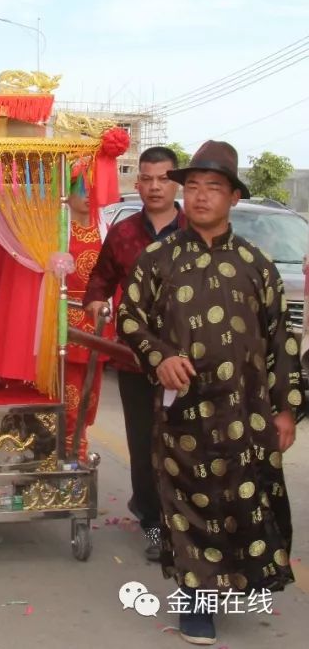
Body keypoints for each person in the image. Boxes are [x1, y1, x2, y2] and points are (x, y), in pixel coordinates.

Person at [118, 140, 304, 646]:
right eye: (193, 187)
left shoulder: (258, 265)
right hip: (185, 412)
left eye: (213, 188)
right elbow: (129, 317)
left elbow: (281, 341)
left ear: (233, 198)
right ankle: (197, 603)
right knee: (189, 504)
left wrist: (286, 409)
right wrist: (160, 357)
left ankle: (236, 587)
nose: (200, 197)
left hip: (248, 413)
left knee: (244, 502)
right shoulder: (159, 258)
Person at [83, 146, 184, 561]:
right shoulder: (123, 233)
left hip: (186, 361)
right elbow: (100, 278)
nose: (155, 186)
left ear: (177, 181)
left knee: (183, 445)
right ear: (137, 182)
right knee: (143, 445)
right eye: (147, 178)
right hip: (135, 358)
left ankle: (184, 523)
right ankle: (153, 521)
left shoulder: (195, 230)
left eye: (163, 178)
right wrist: (95, 301)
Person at [64, 166, 112, 462]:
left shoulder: (103, 227)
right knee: (68, 387)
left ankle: (80, 438)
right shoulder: (60, 227)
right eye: (80, 189)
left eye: (90, 190)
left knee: (91, 388)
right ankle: (68, 442)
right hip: (68, 317)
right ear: (66, 194)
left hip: (97, 319)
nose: (86, 197)